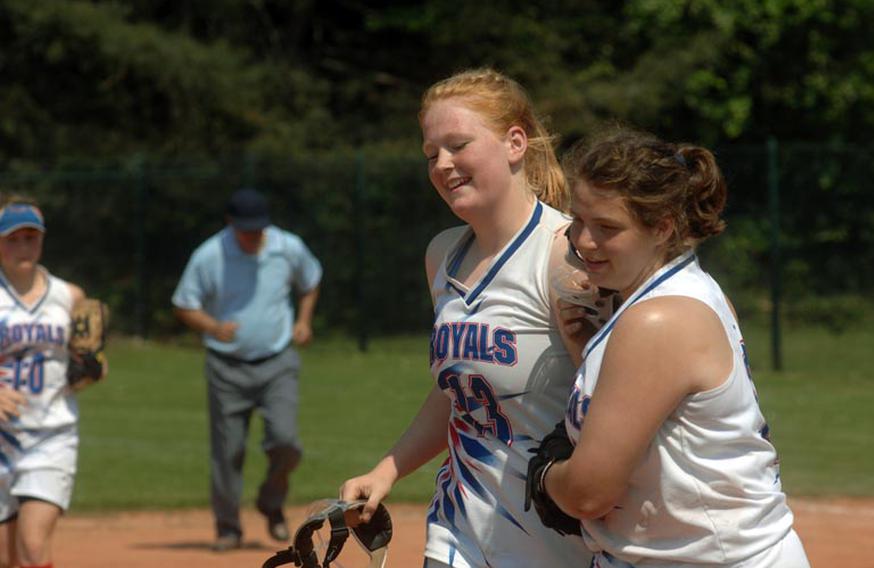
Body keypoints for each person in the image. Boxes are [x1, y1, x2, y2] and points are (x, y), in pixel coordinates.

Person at [340, 68, 596, 568]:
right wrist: (387, 469)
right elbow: (458, 388)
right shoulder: (443, 255)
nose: (443, 164)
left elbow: (610, 397)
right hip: (458, 529)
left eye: (458, 145)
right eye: (431, 153)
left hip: (554, 540)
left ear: (515, 143)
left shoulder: (567, 256)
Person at [531, 125, 810, 567]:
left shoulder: (658, 320)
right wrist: (588, 350)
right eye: (578, 220)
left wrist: (547, 476)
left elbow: (587, 494)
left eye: (607, 227)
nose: (584, 241)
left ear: (662, 227)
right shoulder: (679, 293)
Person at [172, 188, 322, 552]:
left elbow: (311, 279)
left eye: (258, 229)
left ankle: (271, 501)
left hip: (277, 361)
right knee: (228, 451)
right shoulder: (209, 255)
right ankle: (228, 529)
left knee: (285, 442)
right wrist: (212, 327)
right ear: (230, 223)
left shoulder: (286, 247)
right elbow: (183, 303)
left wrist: (303, 320)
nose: (253, 236)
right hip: (226, 367)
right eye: (245, 229)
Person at [0, 196, 97, 568]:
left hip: (51, 434)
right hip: (2, 440)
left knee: (33, 548)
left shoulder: (70, 297)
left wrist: (91, 369)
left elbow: (85, 362)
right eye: (13, 238)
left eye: (31, 237)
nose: (23, 247)